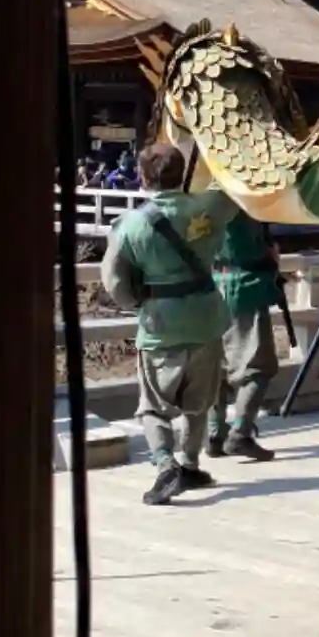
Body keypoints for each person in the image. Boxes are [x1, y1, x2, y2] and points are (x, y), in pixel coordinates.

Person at [100, 141, 234, 506]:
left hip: (160, 322)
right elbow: (232, 185)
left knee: (153, 405)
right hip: (205, 318)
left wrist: (135, 303)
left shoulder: (130, 225)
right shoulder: (209, 208)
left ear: (142, 176)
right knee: (198, 401)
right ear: (183, 173)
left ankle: (165, 465)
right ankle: (189, 463)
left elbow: (114, 281)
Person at [207, 212, 282, 462]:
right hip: (245, 285)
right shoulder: (246, 202)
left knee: (217, 364)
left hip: (214, 284)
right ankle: (240, 431)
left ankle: (215, 431)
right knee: (258, 366)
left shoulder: (208, 202)